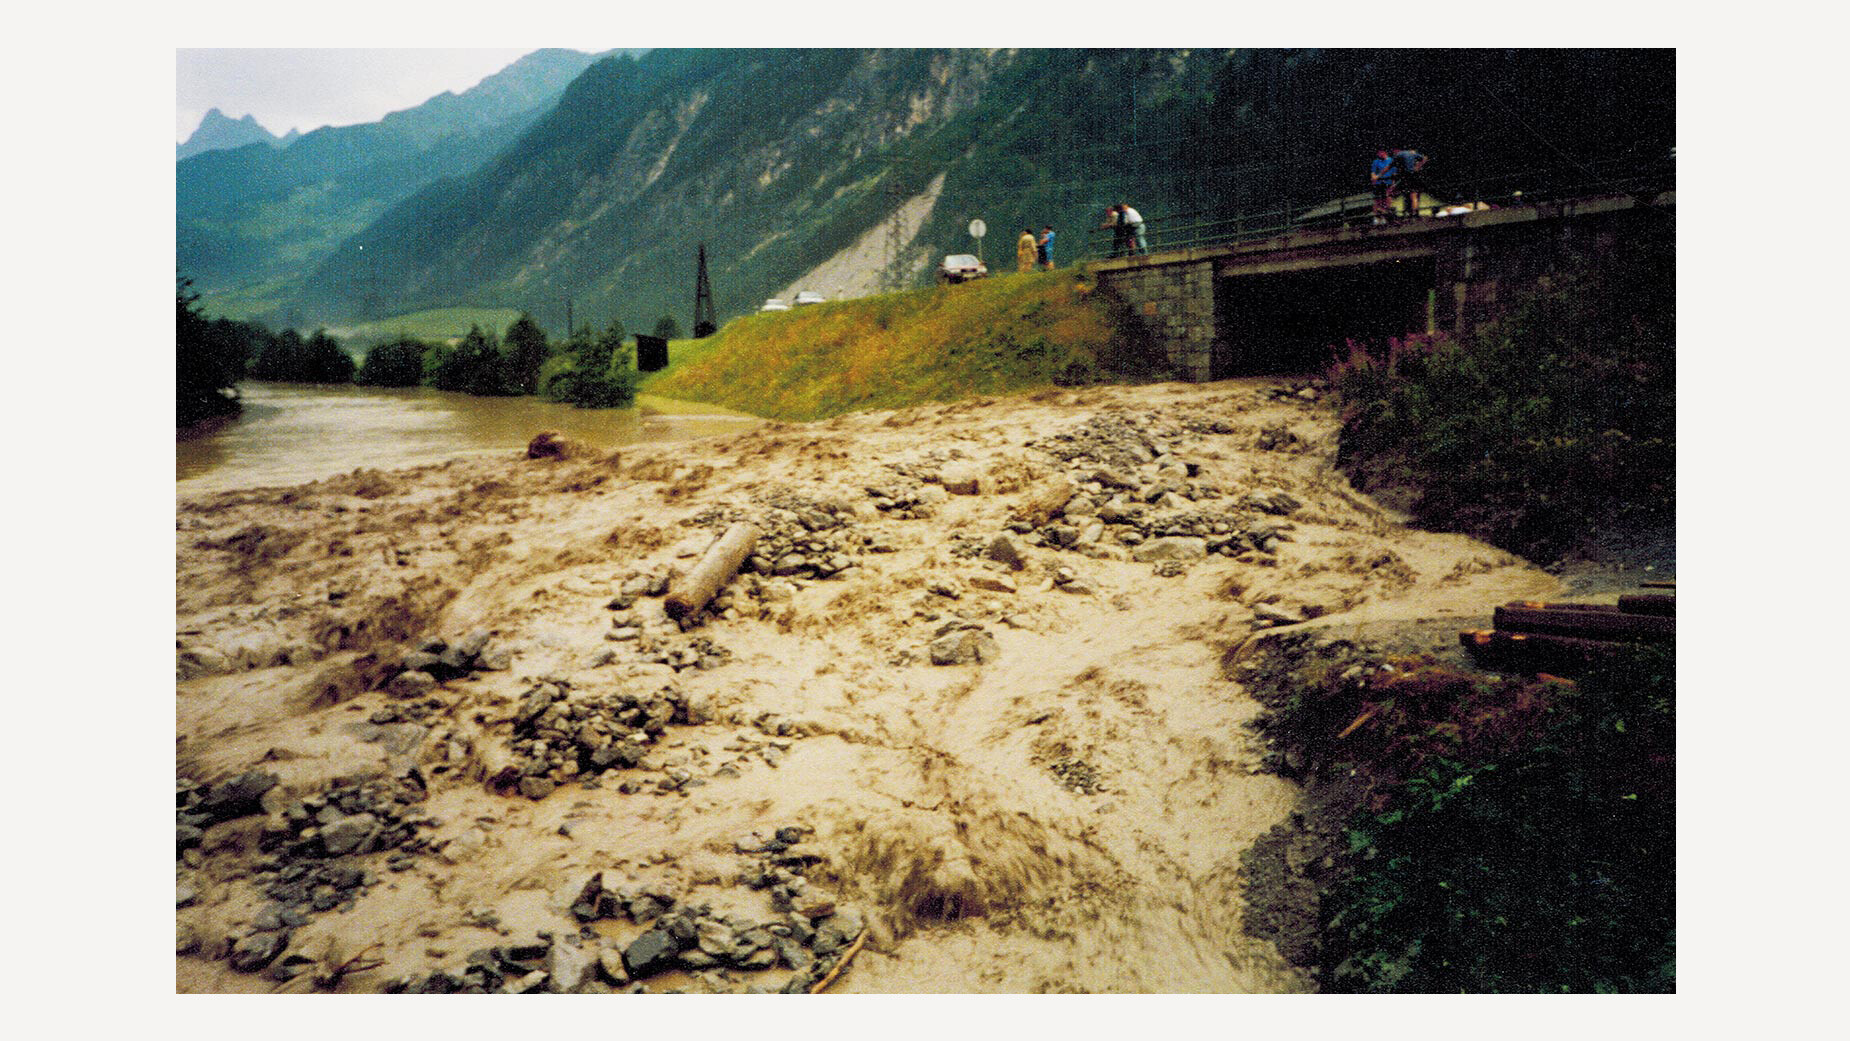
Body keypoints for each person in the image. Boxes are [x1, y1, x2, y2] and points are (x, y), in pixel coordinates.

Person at [1393, 148, 1429, 217]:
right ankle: (1411, 212)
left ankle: (1414, 213)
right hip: (1409, 177)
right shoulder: (1404, 157)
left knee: (1413, 195)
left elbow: (1424, 158)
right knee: (1409, 195)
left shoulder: (1409, 154)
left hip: (1412, 177)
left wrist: (1418, 166)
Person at [1369, 149, 1396, 225]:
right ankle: (1376, 217)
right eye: (1378, 153)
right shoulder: (1376, 161)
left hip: (1388, 182)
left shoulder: (1391, 160)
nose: (1379, 154)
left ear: (1385, 152)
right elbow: (1373, 172)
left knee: (1386, 199)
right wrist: (1373, 179)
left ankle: (1384, 217)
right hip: (1378, 183)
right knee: (1377, 200)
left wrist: (1393, 183)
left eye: (1381, 152)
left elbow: (1394, 172)